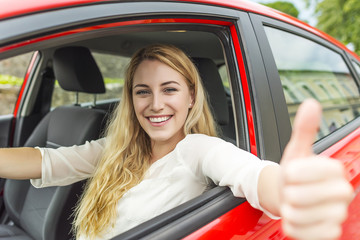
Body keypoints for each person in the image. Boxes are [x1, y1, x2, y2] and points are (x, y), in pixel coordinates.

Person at [0, 44, 353, 240]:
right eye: (143, 92)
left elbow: (252, 173)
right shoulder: (116, 149)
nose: (155, 104)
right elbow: (45, 161)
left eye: (169, 89)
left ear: (190, 97)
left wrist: (292, 194)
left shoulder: (198, 149)